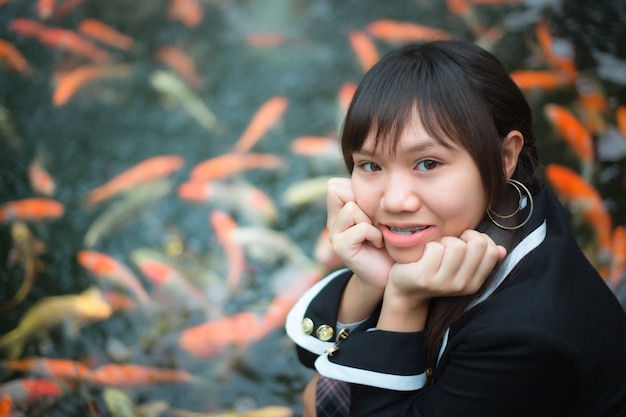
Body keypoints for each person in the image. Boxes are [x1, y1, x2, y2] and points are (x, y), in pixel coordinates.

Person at [285, 39, 626, 417]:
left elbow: (324, 398)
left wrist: (403, 305)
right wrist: (369, 283)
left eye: (428, 163)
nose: (395, 200)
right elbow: (311, 360)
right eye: (370, 165)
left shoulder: (522, 338)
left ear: (504, 157)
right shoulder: (509, 205)